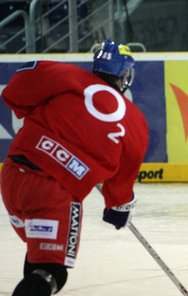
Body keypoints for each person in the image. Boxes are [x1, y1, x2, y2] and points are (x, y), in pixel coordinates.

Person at [0, 40, 149, 295]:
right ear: (124, 73)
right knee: (51, 272)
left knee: (40, 255)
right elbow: (125, 174)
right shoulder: (133, 119)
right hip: (53, 192)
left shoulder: (66, 75)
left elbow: (15, 89)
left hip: (12, 175)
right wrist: (117, 207)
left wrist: (30, 112)